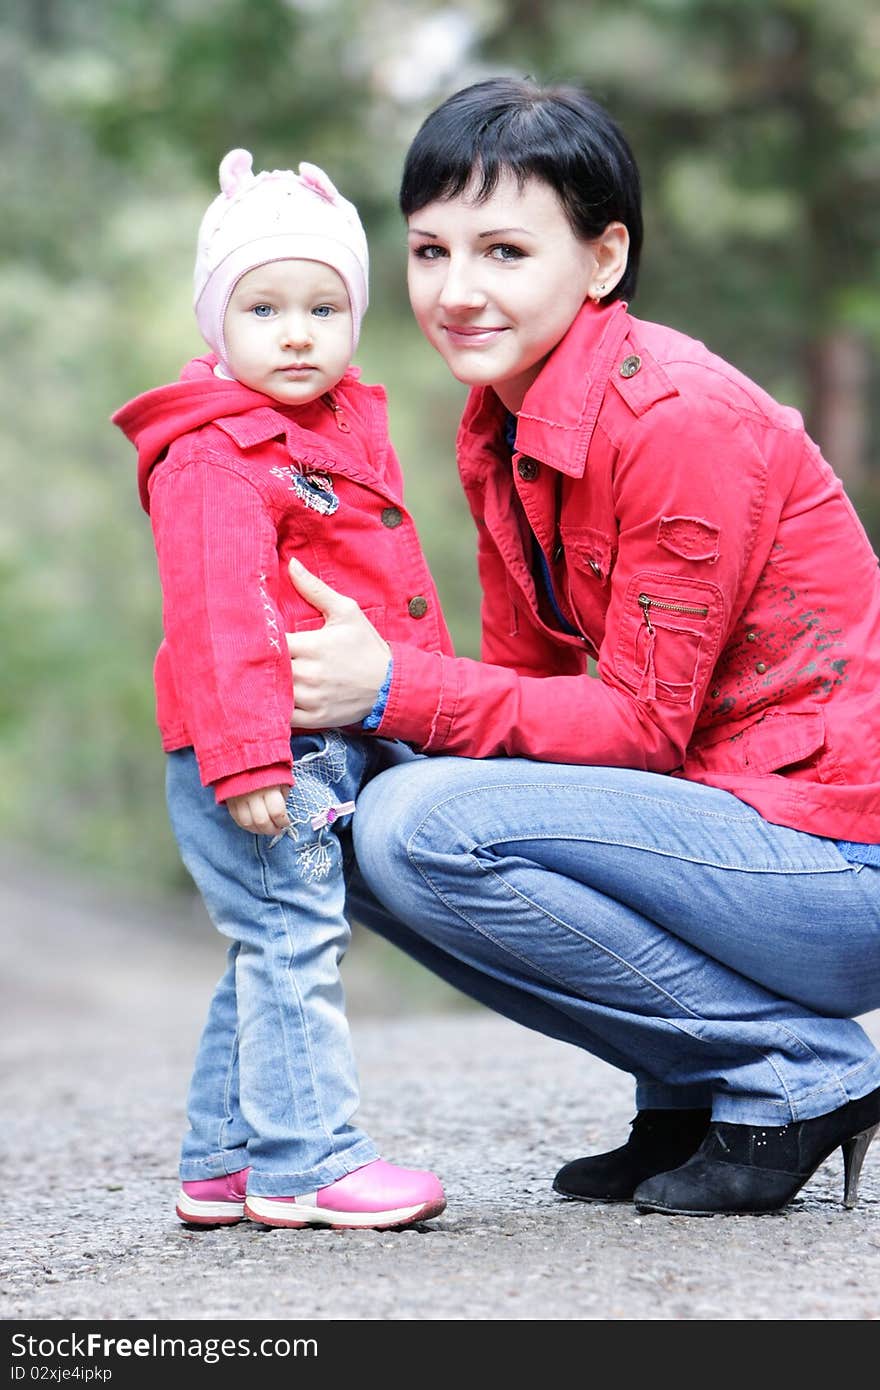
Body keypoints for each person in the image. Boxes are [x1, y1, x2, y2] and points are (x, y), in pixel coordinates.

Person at [281, 78, 880, 1217]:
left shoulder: (673, 420)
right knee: (346, 813)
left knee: (421, 821)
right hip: (723, 837)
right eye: (428, 251)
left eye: (503, 251)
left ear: (601, 260)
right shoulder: (506, 417)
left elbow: (638, 729)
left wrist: (395, 687)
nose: (455, 292)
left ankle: (800, 1073)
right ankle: (691, 1090)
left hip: (840, 864)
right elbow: (536, 700)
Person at [112, 149, 448, 1230]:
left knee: (270, 935)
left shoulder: (322, 433)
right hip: (261, 747)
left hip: (310, 737)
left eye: (322, 305)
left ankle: (220, 1158)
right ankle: (306, 1162)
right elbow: (215, 617)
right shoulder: (216, 454)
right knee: (295, 940)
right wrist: (249, 755)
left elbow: (382, 581)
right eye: (263, 307)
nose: (296, 331)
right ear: (220, 323)